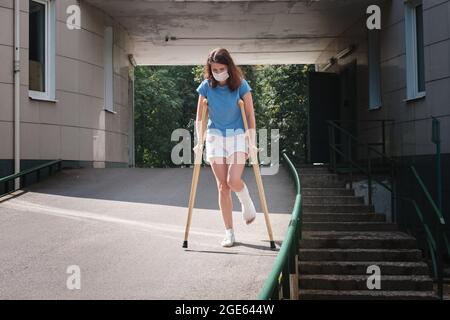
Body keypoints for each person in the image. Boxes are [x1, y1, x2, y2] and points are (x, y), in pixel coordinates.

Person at [193, 47, 258, 247]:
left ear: (229, 66)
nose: (218, 72)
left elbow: (249, 116)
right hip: (215, 137)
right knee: (222, 186)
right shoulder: (205, 87)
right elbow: (200, 118)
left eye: (222, 68)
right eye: (214, 69)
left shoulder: (241, 85)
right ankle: (229, 232)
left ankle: (246, 200)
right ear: (210, 69)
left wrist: (252, 143)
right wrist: (199, 142)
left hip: (238, 135)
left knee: (233, 180)